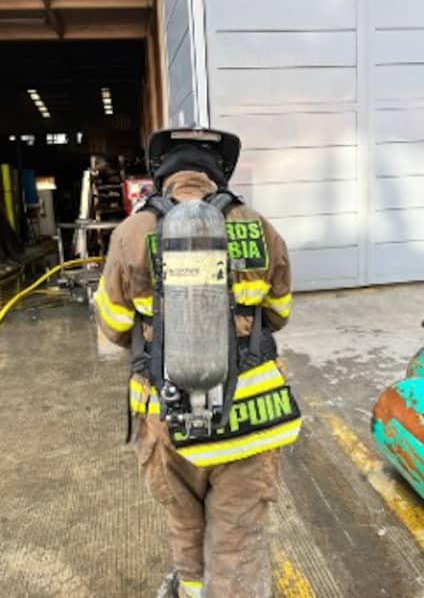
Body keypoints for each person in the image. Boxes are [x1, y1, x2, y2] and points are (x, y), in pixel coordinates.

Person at [94, 128, 301, 598]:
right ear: (217, 175)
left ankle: (189, 590)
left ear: (161, 177)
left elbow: (113, 324)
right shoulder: (259, 226)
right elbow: (280, 316)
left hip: (167, 417)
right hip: (249, 418)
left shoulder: (132, 232)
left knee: (185, 529)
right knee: (237, 542)